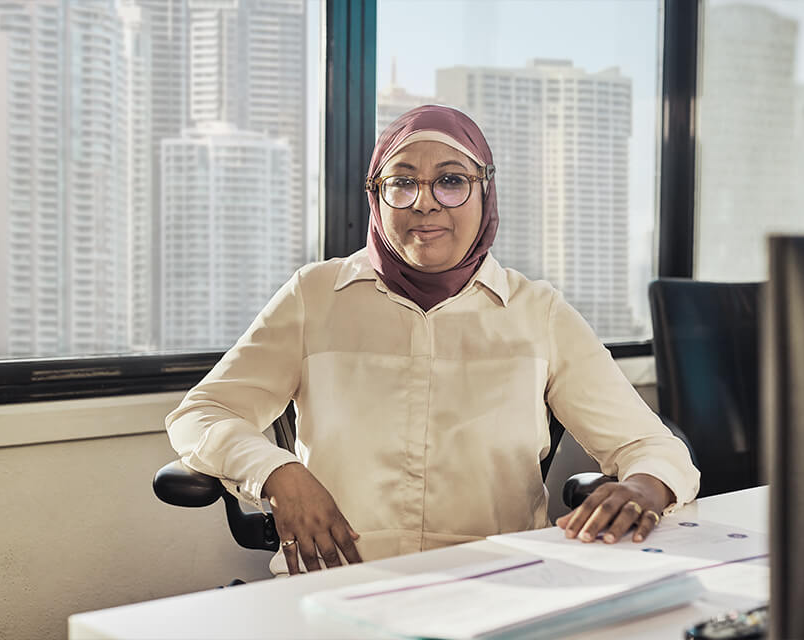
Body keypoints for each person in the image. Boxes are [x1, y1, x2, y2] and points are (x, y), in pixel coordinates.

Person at [165, 105, 700, 576]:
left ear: (484, 190)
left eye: (451, 180)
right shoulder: (316, 294)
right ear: (376, 196)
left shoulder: (537, 312)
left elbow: (651, 447)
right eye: (402, 182)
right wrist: (277, 474)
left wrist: (644, 487)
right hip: (338, 581)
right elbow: (203, 413)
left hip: (496, 582)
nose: (426, 203)